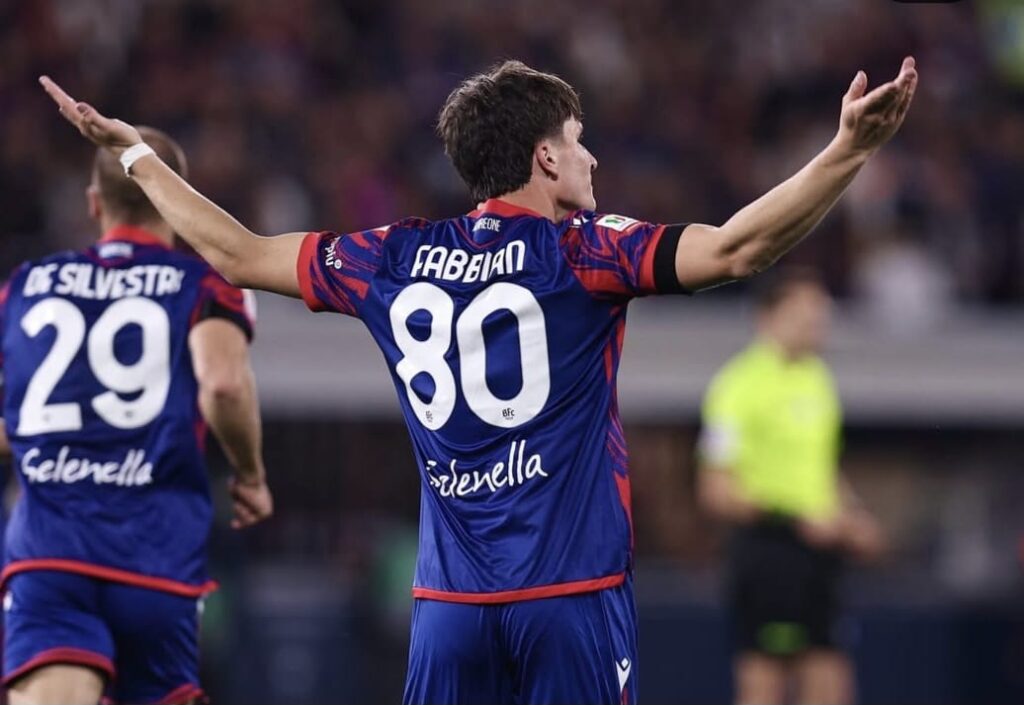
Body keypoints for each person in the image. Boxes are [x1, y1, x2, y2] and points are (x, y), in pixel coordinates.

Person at [39, 55, 916, 704]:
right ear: (544, 158)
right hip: (570, 596)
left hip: (450, 608)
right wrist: (848, 151)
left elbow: (236, 252)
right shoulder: (586, 251)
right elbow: (737, 248)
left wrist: (138, 159)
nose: (591, 160)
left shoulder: (392, 257)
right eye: (578, 143)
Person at [0, 127, 273, 705]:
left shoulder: (24, 288)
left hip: (51, 555)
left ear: (93, 202)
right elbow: (223, 385)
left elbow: (12, 423)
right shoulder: (204, 284)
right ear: (174, 200)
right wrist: (250, 474)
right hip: (154, 555)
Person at [697, 270, 884, 705]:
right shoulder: (737, 387)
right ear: (767, 318)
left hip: (821, 559)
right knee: (764, 687)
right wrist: (797, 520)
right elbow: (717, 491)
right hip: (770, 555)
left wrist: (852, 518)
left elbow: (822, 470)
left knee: (832, 684)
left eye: (821, 315)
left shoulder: (819, 378)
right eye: (804, 315)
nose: (816, 324)